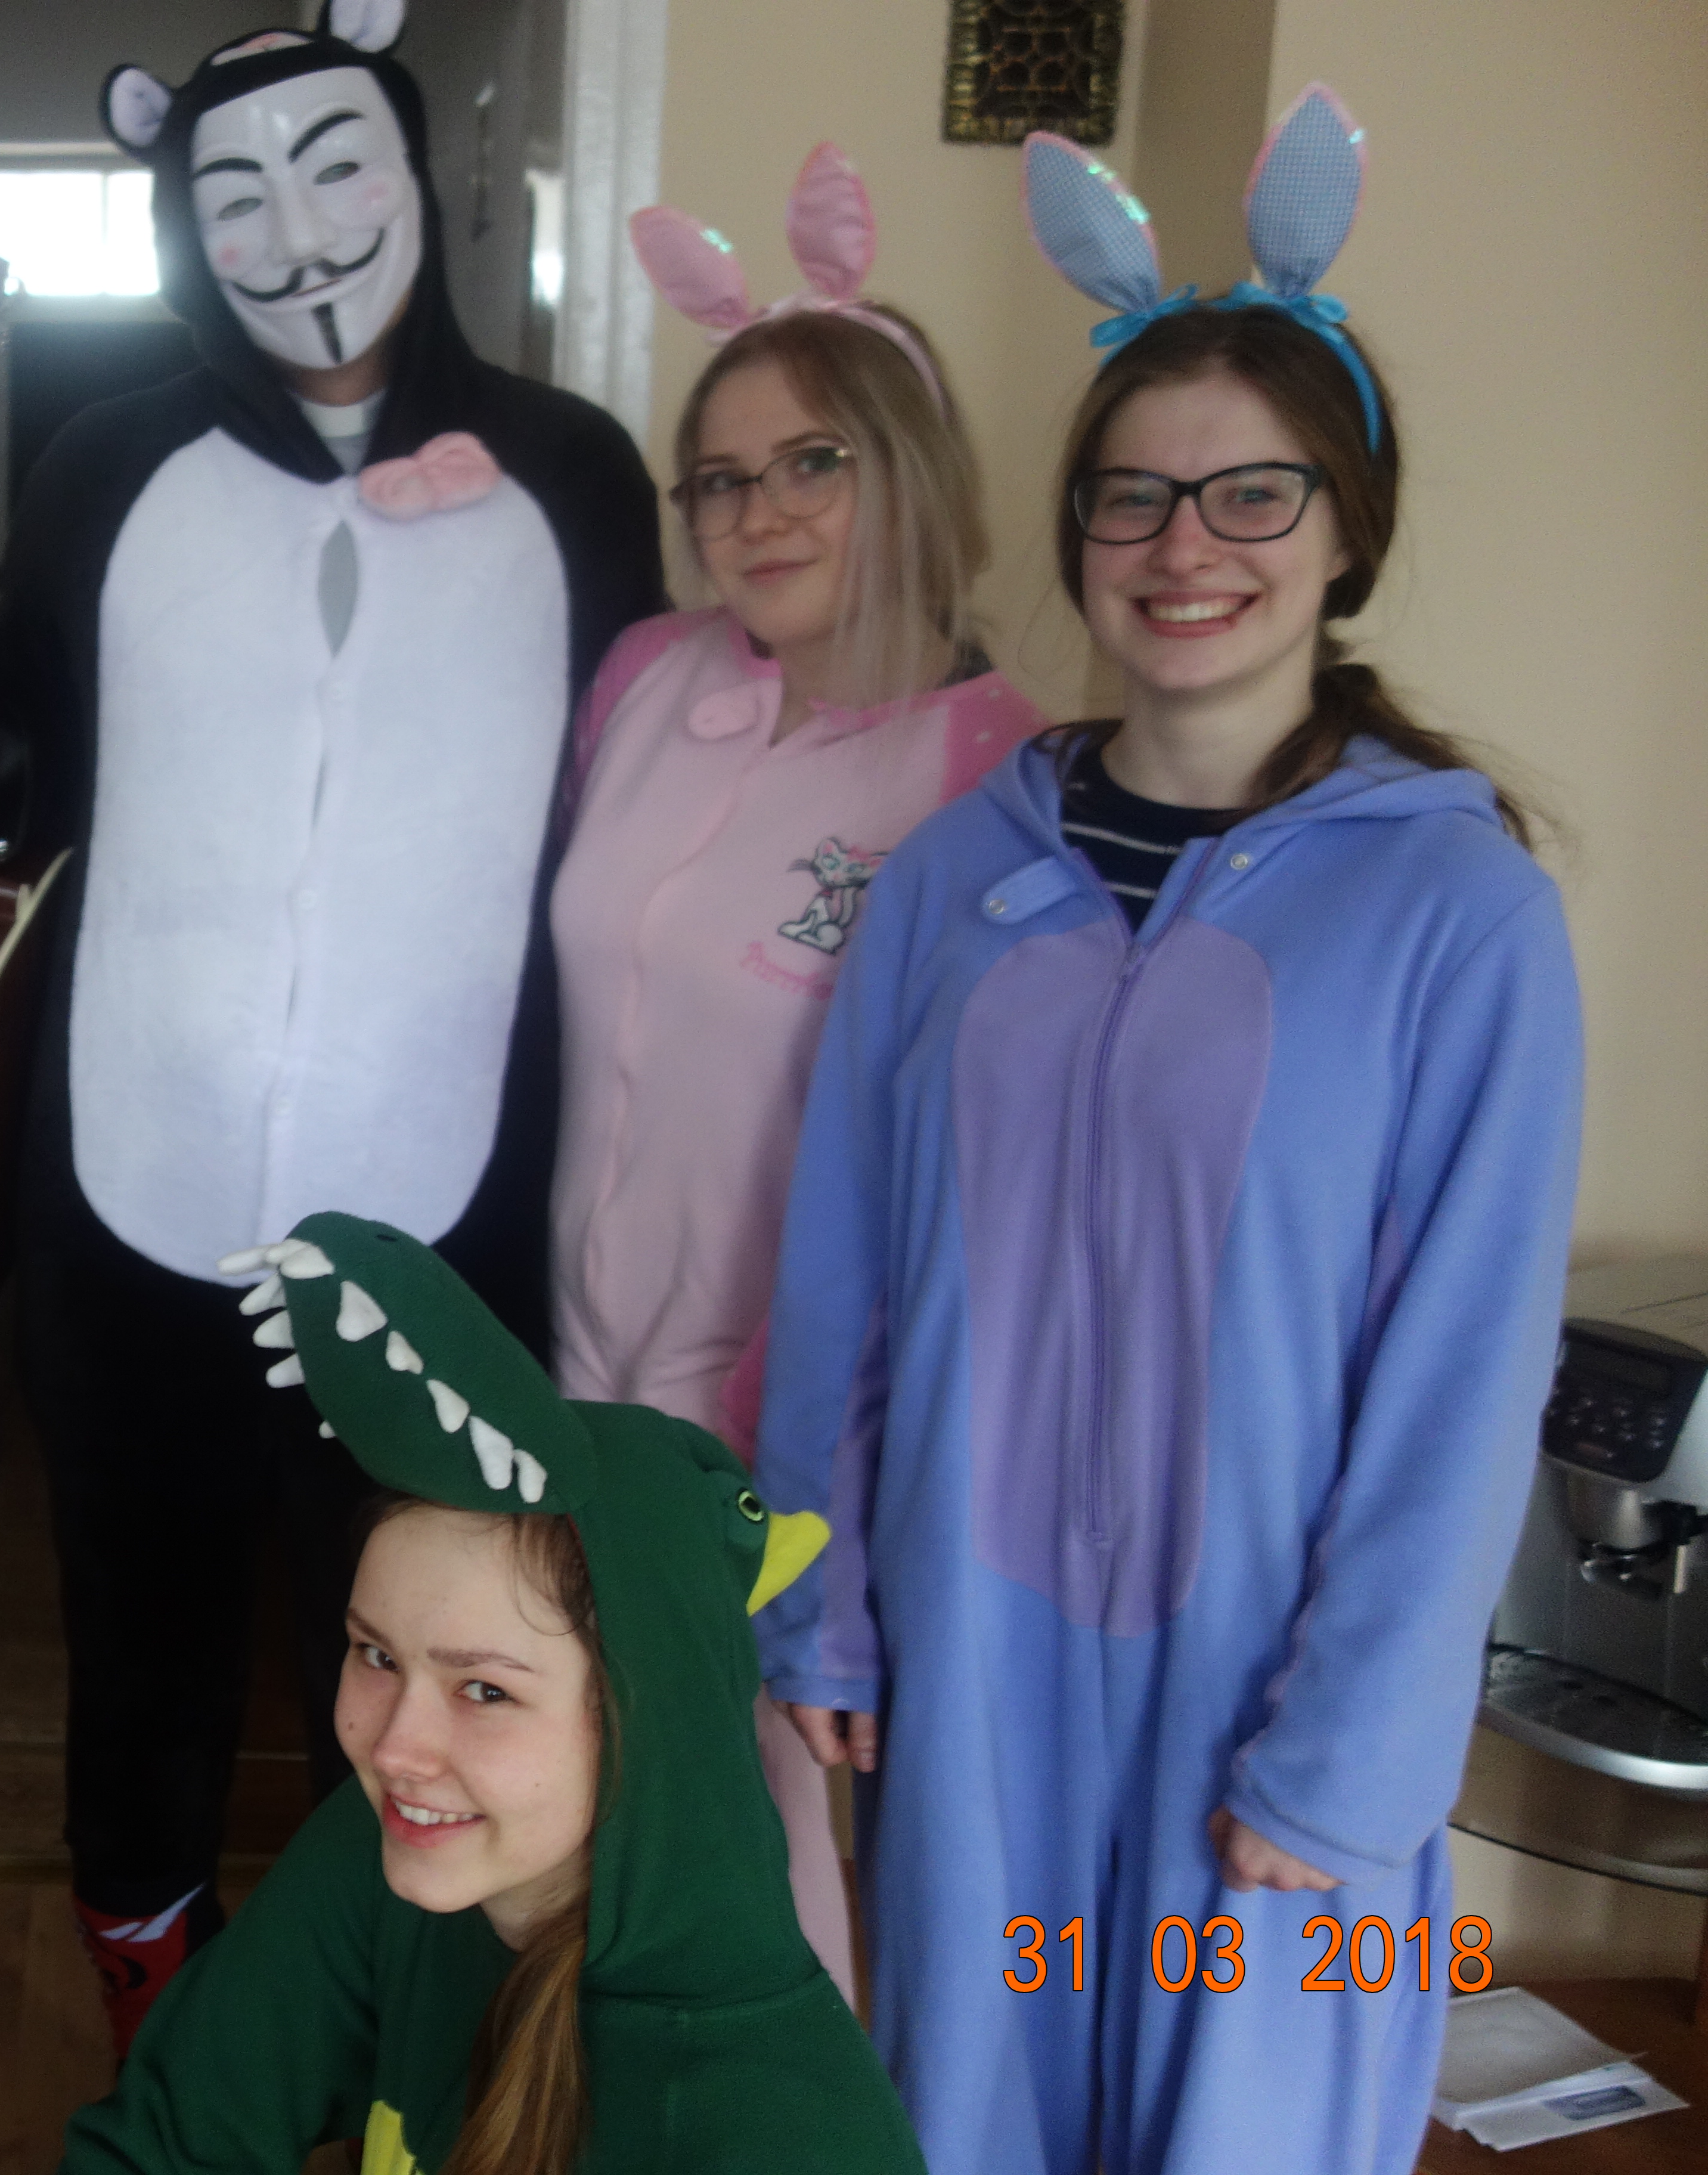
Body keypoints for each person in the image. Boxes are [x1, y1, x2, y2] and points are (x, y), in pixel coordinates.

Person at [754, 89, 1583, 2174]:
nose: (1185, 547)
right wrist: (815, 1595)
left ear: (1345, 528)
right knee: (969, 2116)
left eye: (1249, 493)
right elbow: (843, 1266)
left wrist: (1351, 1754)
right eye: (1132, 499)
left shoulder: (1456, 908)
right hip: (977, 1679)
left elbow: (1466, 1371)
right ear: (1077, 536)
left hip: (1270, 1714)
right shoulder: (957, 876)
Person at [0, 0, 667, 2044]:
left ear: (414, 174)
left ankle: (423, 2035)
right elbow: (28, 760)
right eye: (237, 199)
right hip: (138, 1182)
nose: (298, 236)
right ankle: (165, 2023)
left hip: (448, 1194)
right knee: (143, 1629)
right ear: (185, 234)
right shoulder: (106, 463)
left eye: (336, 169)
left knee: (437, 1640)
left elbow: (643, 800)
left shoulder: (571, 470)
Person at [550, 146, 1044, 1997]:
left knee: (758, 1855)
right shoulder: (646, 681)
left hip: (774, 1430)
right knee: (591, 1827)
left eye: (809, 463)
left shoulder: (995, 775)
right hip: (571, 1377)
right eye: (719, 477)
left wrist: (782, 1449)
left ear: (908, 469)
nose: (754, 515)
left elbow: (951, 1182)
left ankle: (799, 2113)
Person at [63, 1213, 920, 2173]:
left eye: (483, 1689)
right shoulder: (394, 1845)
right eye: (375, 1654)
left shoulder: (798, 2139)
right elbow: (162, 2147)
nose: (395, 1749)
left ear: (654, 1721)